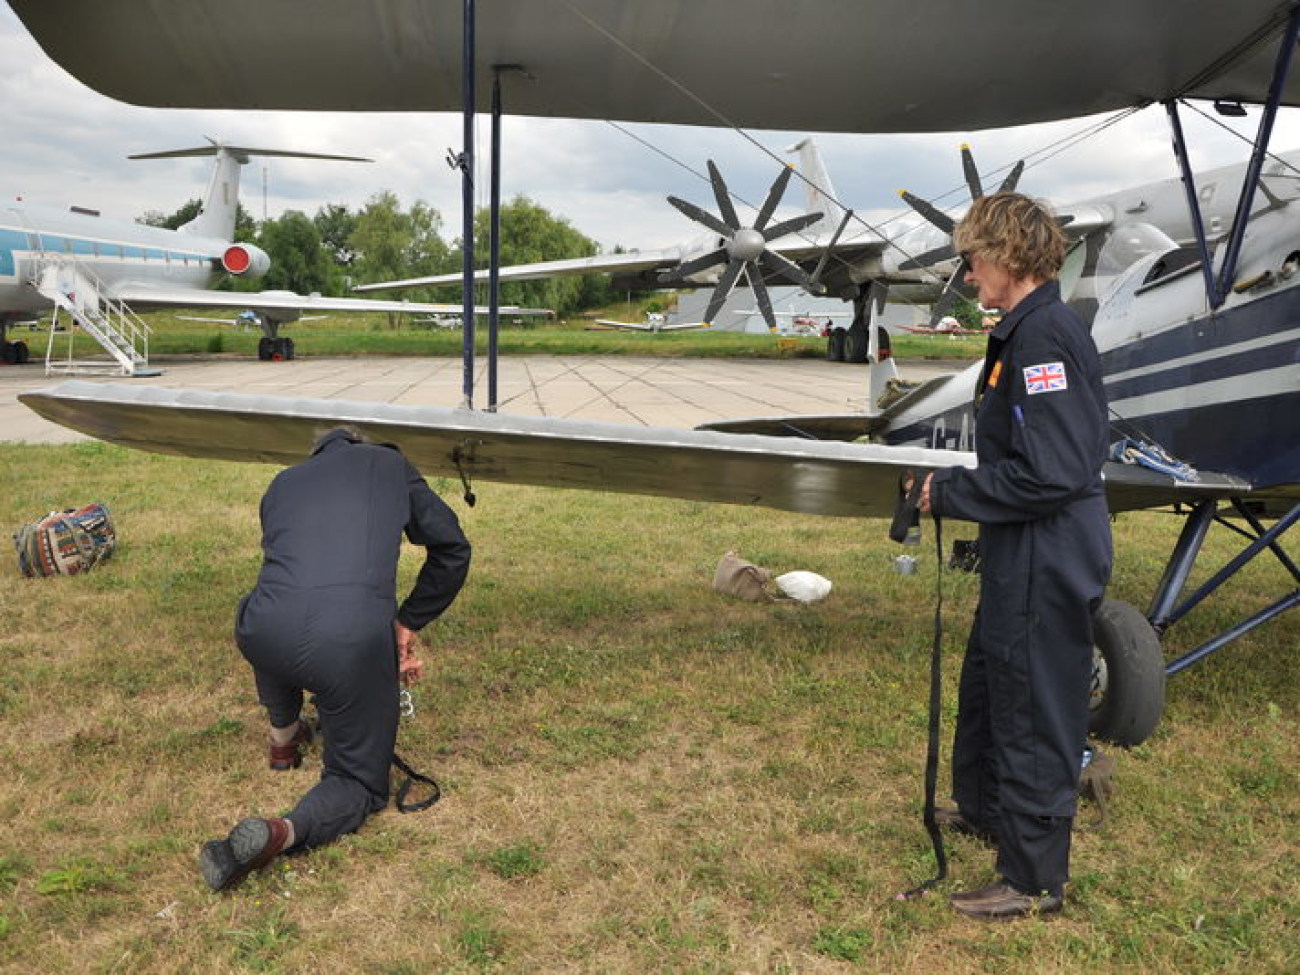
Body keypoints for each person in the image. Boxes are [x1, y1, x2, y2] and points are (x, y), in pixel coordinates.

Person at [913, 192, 1111, 920]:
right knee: (993, 679)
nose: (969, 278)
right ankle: (989, 808)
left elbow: (1051, 472)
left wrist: (952, 492)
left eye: (972, 260)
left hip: (1047, 548)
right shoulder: (1026, 330)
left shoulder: (1044, 338)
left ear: (1006, 254)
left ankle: (1032, 879)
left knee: (1033, 703)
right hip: (1023, 543)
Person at [199, 426, 471, 892]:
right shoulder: (389, 464)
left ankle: (283, 739)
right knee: (359, 782)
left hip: (262, 630)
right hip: (349, 641)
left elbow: (291, 568)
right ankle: (283, 833)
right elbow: (452, 548)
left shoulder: (283, 482)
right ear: (362, 444)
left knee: (273, 610)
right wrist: (408, 622)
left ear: (315, 453)